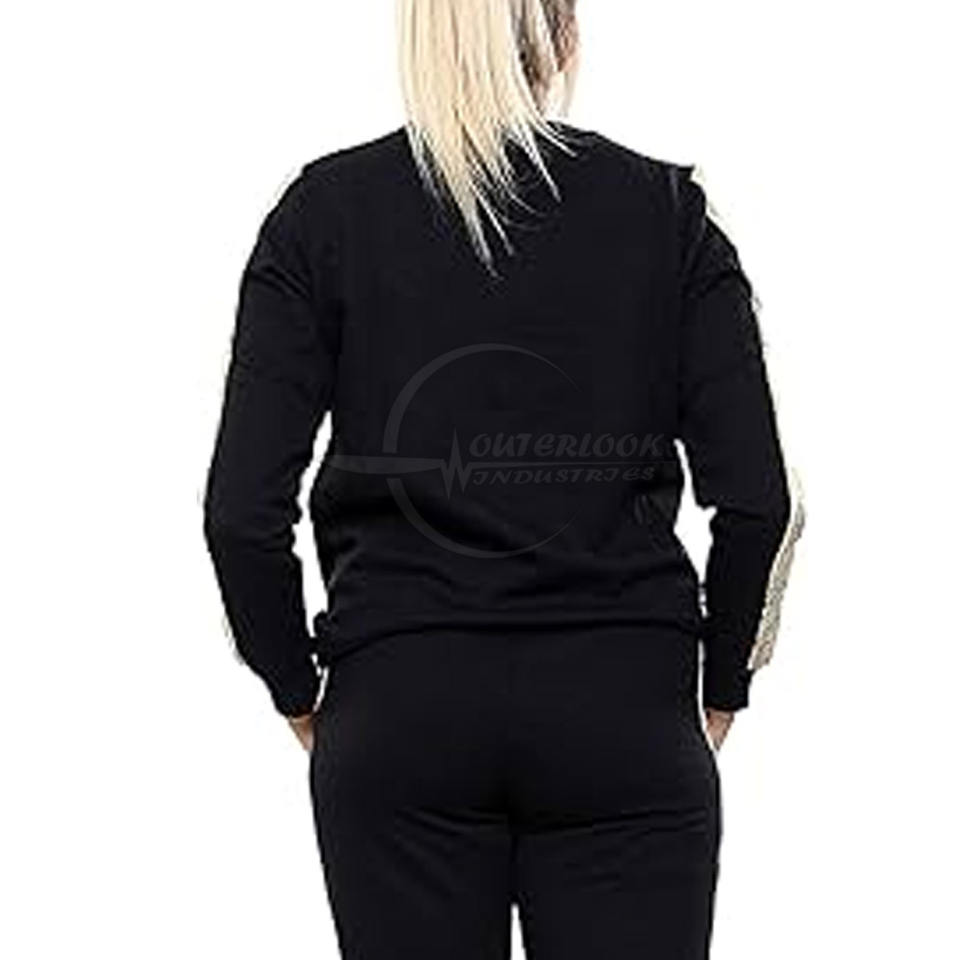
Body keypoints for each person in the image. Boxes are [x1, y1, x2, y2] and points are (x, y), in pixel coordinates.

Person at [202, 1, 804, 957]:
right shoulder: (668, 215)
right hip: (622, 709)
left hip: (400, 707)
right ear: (563, 35)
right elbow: (762, 503)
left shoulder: (321, 216)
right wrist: (720, 684)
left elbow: (240, 514)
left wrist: (299, 690)